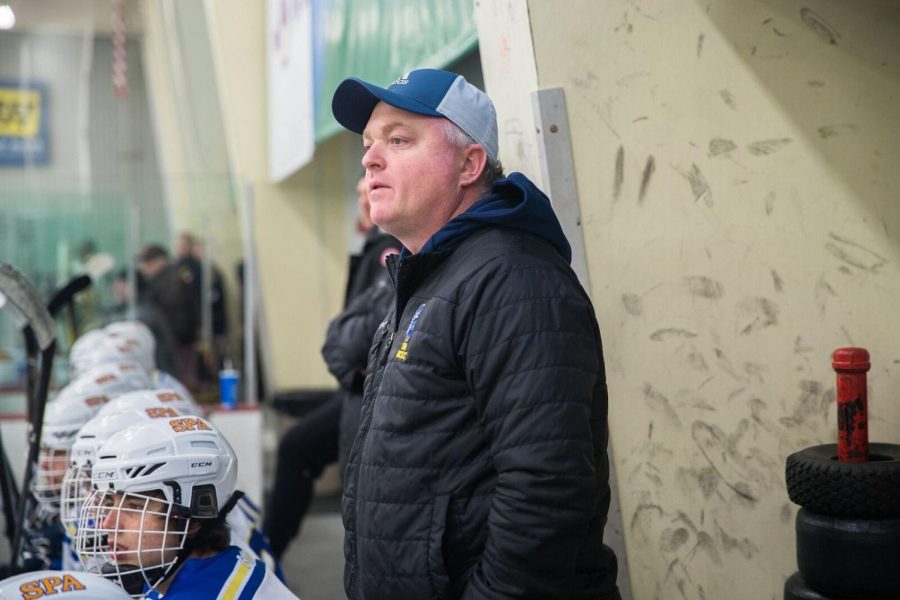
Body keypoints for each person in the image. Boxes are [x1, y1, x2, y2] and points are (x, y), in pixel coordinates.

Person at [331, 67, 620, 599]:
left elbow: (546, 490)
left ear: (470, 164)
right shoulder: (429, 276)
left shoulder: (514, 279)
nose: (371, 157)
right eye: (370, 142)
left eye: (399, 139)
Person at [73, 417, 297, 599]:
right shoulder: (200, 572)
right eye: (110, 504)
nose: (108, 524)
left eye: (134, 507)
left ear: (193, 519)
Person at [137, 244, 199, 390]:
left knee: (178, 386)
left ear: (160, 261)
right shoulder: (169, 279)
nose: (144, 268)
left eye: (148, 263)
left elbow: (176, 317)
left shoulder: (167, 282)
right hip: (177, 343)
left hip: (176, 344)